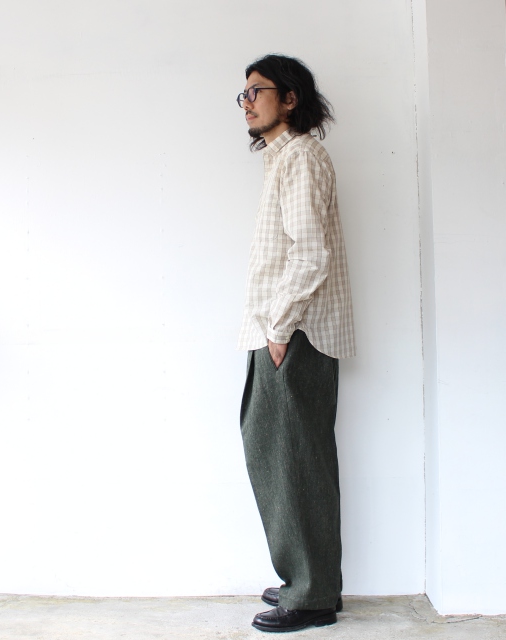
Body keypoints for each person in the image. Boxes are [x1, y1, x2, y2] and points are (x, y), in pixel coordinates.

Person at [237, 54, 356, 633]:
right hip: (286, 330)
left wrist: (279, 329)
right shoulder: (284, 160)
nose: (246, 102)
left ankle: (310, 594)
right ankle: (314, 582)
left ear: (290, 98)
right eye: (242, 94)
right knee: (290, 459)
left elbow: (310, 255)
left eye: (257, 90)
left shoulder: (302, 157)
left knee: (290, 462)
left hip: (293, 333)